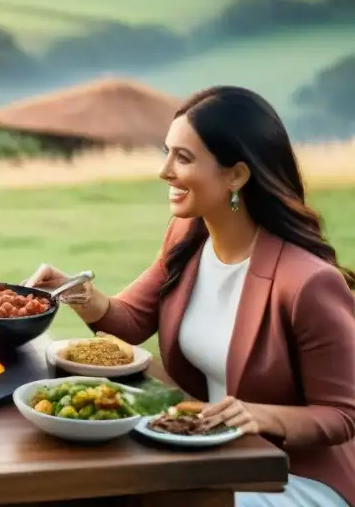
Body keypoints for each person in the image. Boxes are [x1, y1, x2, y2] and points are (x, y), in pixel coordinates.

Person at [26, 86, 355, 507]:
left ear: (236, 174)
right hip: (210, 450)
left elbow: (342, 414)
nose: (165, 171)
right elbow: (130, 320)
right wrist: (80, 294)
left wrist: (261, 415)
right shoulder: (189, 235)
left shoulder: (309, 282)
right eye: (166, 152)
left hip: (288, 475)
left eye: (183, 157)